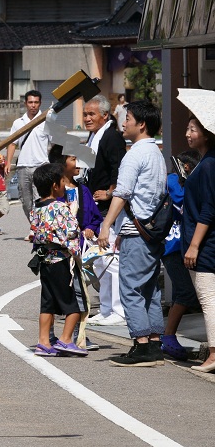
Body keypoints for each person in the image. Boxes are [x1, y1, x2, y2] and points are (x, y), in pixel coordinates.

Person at [98, 101, 168, 367]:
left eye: (127, 118)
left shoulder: (135, 154)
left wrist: (106, 225)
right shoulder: (156, 153)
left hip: (135, 232)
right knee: (150, 290)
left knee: (130, 289)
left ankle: (141, 347)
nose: (123, 123)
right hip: (152, 233)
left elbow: (122, 192)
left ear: (142, 124)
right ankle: (153, 343)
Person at [29, 163, 89, 358]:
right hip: (60, 259)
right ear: (55, 185)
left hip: (44, 260)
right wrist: (73, 212)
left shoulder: (36, 206)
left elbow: (34, 232)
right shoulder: (60, 207)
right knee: (73, 302)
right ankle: (65, 339)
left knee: (47, 302)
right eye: (63, 181)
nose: (65, 185)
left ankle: (43, 341)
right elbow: (71, 232)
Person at [47, 144, 102, 351]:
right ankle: (51, 336)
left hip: (79, 251)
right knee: (53, 293)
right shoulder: (53, 192)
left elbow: (95, 217)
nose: (77, 163)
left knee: (81, 293)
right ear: (61, 165)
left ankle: (79, 336)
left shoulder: (82, 190)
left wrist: (90, 228)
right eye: (72, 159)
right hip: (58, 251)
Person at [82, 94, 126, 326]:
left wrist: (110, 193)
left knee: (112, 258)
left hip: (110, 206)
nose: (87, 118)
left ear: (105, 115)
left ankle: (118, 310)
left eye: (92, 114)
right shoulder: (94, 136)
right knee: (100, 259)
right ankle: (106, 308)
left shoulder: (112, 137)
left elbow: (118, 169)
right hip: (96, 205)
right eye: (85, 114)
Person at [180, 102, 215, 372]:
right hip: (202, 242)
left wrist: (194, 246)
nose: (187, 133)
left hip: (205, 245)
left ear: (206, 133)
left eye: (193, 129)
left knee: (208, 298)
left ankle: (213, 355)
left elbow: (209, 207)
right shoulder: (204, 162)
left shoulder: (209, 164)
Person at [159, 149, 200, 361]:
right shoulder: (173, 181)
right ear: (186, 168)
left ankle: (167, 336)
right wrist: (178, 176)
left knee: (181, 294)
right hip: (172, 247)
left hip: (178, 246)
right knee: (186, 293)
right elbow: (181, 199)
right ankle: (168, 336)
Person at [5, 90, 49, 231]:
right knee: (25, 201)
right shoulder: (18, 123)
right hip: (23, 165)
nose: (33, 105)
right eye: (30, 102)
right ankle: (34, 226)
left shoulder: (47, 121)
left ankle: (39, 229)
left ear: (40, 103)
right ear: (25, 103)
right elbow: (12, 143)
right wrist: (8, 162)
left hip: (41, 165)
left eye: (36, 102)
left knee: (39, 199)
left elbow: (56, 143)